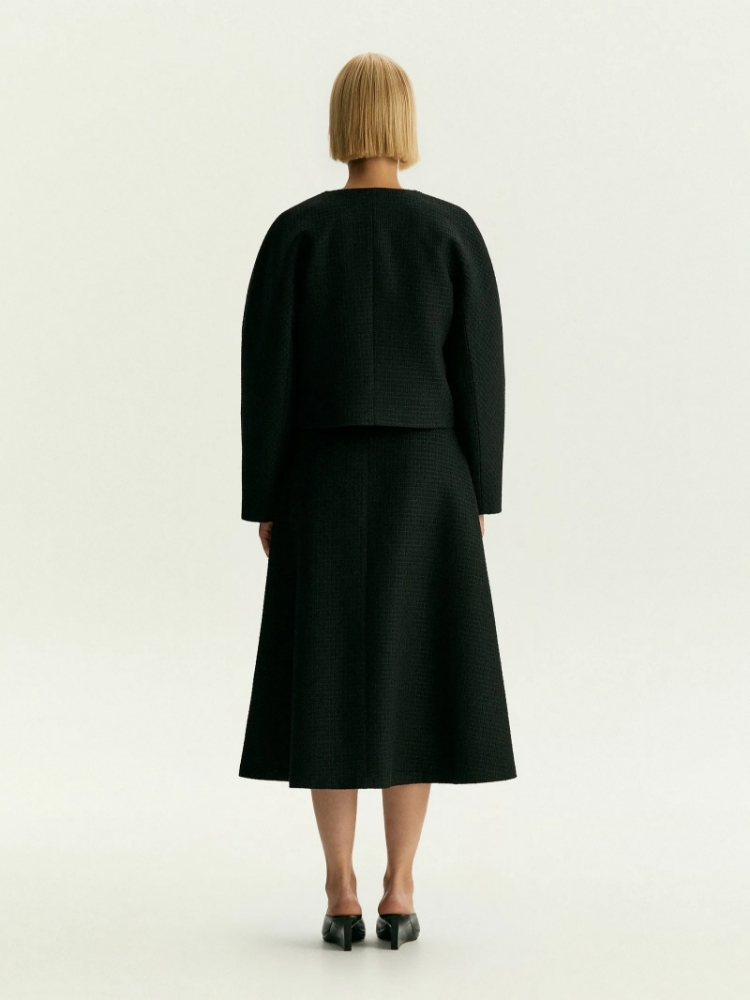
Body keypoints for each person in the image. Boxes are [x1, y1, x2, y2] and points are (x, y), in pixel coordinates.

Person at [237, 52, 517, 951]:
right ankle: (401, 889)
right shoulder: (449, 230)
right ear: (404, 120)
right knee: (417, 676)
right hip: (428, 476)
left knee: (327, 676)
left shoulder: (297, 233)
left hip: (320, 475)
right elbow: (479, 373)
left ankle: (339, 888)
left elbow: (267, 374)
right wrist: (479, 492)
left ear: (340, 121)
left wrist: (264, 495)